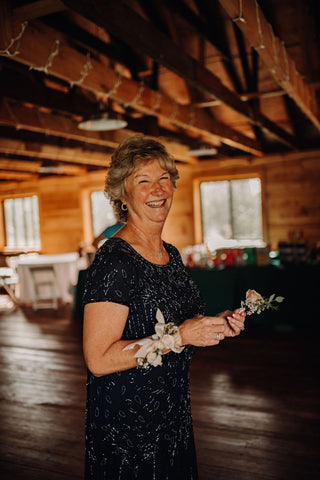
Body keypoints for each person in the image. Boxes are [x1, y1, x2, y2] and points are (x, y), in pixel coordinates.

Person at [82, 135, 246, 479]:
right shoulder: (114, 260)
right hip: (129, 424)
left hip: (171, 412)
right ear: (123, 195)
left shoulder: (169, 254)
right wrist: (180, 336)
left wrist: (210, 324)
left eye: (163, 179)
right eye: (143, 181)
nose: (158, 190)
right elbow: (98, 359)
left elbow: (177, 325)